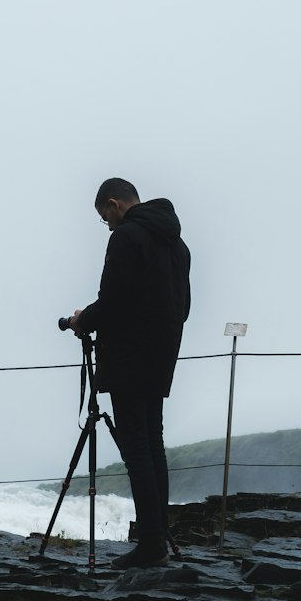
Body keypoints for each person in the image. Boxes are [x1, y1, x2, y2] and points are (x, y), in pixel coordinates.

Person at [67, 177, 191, 569]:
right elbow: (182, 304)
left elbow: (114, 300)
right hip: (162, 354)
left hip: (129, 357)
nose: (105, 224)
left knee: (137, 448)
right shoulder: (177, 243)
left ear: (115, 203)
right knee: (153, 444)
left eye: (104, 215)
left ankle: (152, 545)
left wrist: (81, 320)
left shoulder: (126, 238)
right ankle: (158, 537)